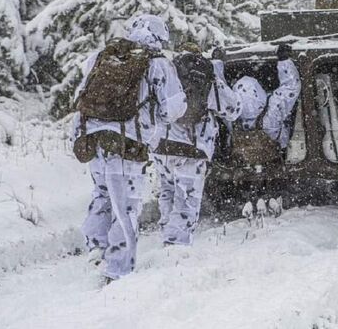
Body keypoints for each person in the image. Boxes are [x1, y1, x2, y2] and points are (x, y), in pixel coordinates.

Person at [72, 14, 187, 283]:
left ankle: (96, 247)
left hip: (94, 140)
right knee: (126, 207)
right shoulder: (158, 64)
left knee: (102, 194)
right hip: (127, 144)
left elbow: (80, 97)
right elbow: (173, 108)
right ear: (159, 36)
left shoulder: (101, 57)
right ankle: (118, 269)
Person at [152, 42, 241, 246]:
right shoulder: (204, 77)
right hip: (191, 149)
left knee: (168, 190)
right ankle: (176, 244)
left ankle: (167, 232)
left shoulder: (165, 74)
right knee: (186, 199)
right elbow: (233, 109)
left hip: (161, 146)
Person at [232, 44, 301, 150]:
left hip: (247, 158)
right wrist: (284, 60)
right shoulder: (272, 112)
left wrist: (216, 63)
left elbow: (219, 96)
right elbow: (291, 87)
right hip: (280, 153)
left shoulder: (234, 117)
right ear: (257, 92)